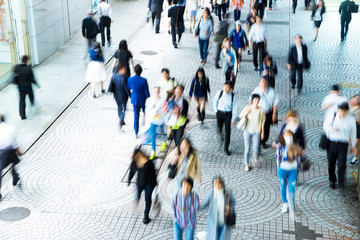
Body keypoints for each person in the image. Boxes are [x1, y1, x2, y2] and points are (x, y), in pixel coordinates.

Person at [324, 102, 356, 189]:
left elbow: (353, 133)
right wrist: (331, 129)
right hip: (332, 143)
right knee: (331, 163)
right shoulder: (333, 115)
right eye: (340, 111)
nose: (341, 113)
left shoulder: (351, 119)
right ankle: (332, 180)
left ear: (347, 111)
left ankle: (341, 181)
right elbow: (325, 126)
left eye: (343, 112)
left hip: (343, 144)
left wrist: (353, 145)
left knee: (342, 165)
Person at [276, 130, 302, 220]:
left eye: (289, 135)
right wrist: (279, 166)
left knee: (292, 188)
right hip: (283, 169)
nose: (288, 137)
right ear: (283, 137)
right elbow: (278, 158)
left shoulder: (295, 146)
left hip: (293, 169)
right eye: (286, 135)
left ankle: (291, 202)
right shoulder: (280, 146)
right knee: (283, 186)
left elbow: (299, 158)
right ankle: (284, 203)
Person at [128, 148, 157, 224]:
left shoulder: (149, 162)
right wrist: (129, 179)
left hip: (149, 183)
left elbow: (154, 174)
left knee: (147, 198)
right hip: (140, 183)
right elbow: (132, 171)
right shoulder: (135, 162)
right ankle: (137, 203)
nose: (137, 158)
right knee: (137, 196)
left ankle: (146, 215)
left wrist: (155, 184)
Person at [239, 94, 265, 171]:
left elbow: (262, 122)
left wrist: (262, 132)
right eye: (255, 99)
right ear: (252, 100)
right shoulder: (248, 108)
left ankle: (255, 156)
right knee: (247, 149)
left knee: (256, 149)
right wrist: (245, 113)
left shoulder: (261, 110)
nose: (257, 101)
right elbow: (240, 116)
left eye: (258, 100)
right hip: (247, 131)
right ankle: (246, 164)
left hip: (256, 132)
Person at [251, 77, 279, 148]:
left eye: (263, 82)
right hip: (258, 112)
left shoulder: (272, 91)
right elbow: (251, 100)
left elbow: (275, 103)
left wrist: (274, 113)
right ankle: (258, 142)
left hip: (267, 113)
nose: (261, 84)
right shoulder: (256, 90)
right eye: (261, 82)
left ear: (267, 83)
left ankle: (264, 141)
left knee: (266, 128)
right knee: (259, 128)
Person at [0, 114, 22, 201]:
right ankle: (15, 176)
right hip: (11, 151)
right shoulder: (11, 128)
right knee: (14, 163)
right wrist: (19, 152)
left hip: (1, 153)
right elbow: (15, 143)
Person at [213, 82, 238, 156]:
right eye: (225, 87)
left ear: (231, 89)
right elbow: (215, 101)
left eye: (227, 87)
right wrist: (216, 111)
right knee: (219, 128)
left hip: (228, 115)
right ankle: (221, 134)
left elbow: (235, 108)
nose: (225, 88)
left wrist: (233, 119)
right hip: (219, 113)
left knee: (228, 132)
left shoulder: (233, 96)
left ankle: (226, 149)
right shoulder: (219, 93)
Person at [13, 55, 40, 120]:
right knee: (31, 96)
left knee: (22, 101)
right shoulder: (28, 68)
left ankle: (22, 115)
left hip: (20, 87)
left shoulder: (16, 67)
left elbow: (14, 76)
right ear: (27, 61)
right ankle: (33, 104)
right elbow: (32, 79)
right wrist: (37, 85)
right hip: (28, 87)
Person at [142, 87, 167, 160]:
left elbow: (165, 109)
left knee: (162, 131)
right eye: (155, 91)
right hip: (153, 120)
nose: (156, 93)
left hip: (160, 119)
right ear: (153, 92)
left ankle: (164, 141)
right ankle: (153, 151)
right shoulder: (149, 100)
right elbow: (147, 110)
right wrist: (146, 120)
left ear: (159, 92)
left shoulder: (162, 100)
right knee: (153, 134)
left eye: (158, 91)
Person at [127, 64, 150, 137]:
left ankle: (136, 132)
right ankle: (147, 130)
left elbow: (128, 89)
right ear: (141, 71)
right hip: (143, 100)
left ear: (134, 71)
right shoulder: (144, 80)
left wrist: (131, 96)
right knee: (146, 115)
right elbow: (147, 92)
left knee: (136, 116)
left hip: (135, 100)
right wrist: (149, 100)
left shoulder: (130, 79)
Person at [108, 63, 131, 129]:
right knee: (124, 108)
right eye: (124, 69)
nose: (125, 70)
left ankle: (121, 118)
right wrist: (131, 96)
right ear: (120, 69)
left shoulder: (114, 76)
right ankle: (121, 119)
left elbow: (111, 86)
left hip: (116, 96)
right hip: (123, 96)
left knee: (119, 107)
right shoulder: (124, 78)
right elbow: (127, 89)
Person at [349, 95, 360, 165]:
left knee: (356, 143)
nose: (357, 100)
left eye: (358, 99)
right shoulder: (350, 105)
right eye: (356, 98)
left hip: (358, 127)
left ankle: (355, 158)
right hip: (351, 126)